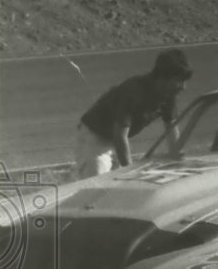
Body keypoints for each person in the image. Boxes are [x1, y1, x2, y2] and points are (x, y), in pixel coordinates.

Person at [74, 48, 193, 179]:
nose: (184, 87)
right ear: (163, 78)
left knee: (118, 191)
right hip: (95, 138)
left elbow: (172, 131)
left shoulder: (168, 95)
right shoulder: (134, 92)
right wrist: (131, 173)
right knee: (96, 189)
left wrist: (178, 165)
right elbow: (120, 136)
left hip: (115, 141)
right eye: (179, 81)